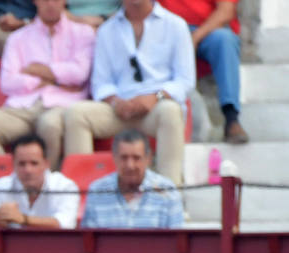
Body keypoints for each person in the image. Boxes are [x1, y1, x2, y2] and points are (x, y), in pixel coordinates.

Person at [61, 0, 194, 184]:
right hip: (119, 108)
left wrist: (155, 97)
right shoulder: (107, 30)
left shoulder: (176, 25)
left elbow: (185, 80)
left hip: (156, 106)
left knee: (170, 112)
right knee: (76, 114)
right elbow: (100, 83)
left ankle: (170, 192)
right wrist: (115, 101)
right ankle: (82, 191)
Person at [0, 0, 95, 168]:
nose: (50, 4)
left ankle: (48, 178)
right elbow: (7, 82)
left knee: (49, 124)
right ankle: (12, 176)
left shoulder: (83, 33)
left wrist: (36, 70)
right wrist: (52, 79)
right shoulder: (18, 37)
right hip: (24, 107)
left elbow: (79, 74)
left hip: (62, 105)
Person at [163, 0, 248, 143]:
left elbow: (226, 11)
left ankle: (231, 118)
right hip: (166, 31)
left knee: (225, 40)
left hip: (204, 30)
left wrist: (195, 38)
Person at [78, 129, 183, 228]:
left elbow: (177, 239)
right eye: (124, 158)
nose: (130, 166)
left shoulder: (167, 192)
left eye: (136, 158)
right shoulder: (97, 191)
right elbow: (88, 239)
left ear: (148, 158)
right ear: (114, 158)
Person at [0, 133, 81, 228]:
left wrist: (24, 219)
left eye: (34, 163)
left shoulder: (65, 186)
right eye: (22, 164)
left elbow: (65, 224)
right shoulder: (1, 186)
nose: (28, 170)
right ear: (13, 164)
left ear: (46, 164)